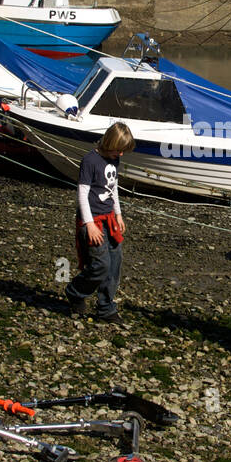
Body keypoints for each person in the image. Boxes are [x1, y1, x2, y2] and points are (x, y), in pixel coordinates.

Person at [65, 122, 135, 322]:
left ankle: (106, 308)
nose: (120, 155)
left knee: (115, 263)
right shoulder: (90, 160)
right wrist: (89, 224)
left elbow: (113, 188)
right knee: (100, 265)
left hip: (110, 218)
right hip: (93, 219)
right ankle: (75, 291)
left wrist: (119, 214)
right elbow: (83, 193)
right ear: (110, 143)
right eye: (119, 150)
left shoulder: (114, 160)